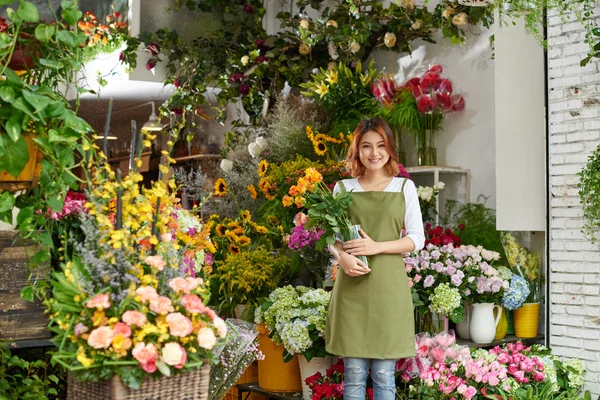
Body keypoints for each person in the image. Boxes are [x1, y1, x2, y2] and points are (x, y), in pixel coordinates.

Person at [325, 118, 425, 400]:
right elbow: (333, 239)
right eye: (366, 146)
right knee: (354, 375)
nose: (374, 153)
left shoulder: (404, 188)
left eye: (380, 145)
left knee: (383, 375)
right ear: (357, 150)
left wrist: (376, 247)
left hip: (388, 289)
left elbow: (417, 239)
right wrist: (342, 256)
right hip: (352, 288)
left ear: (390, 148)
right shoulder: (343, 189)